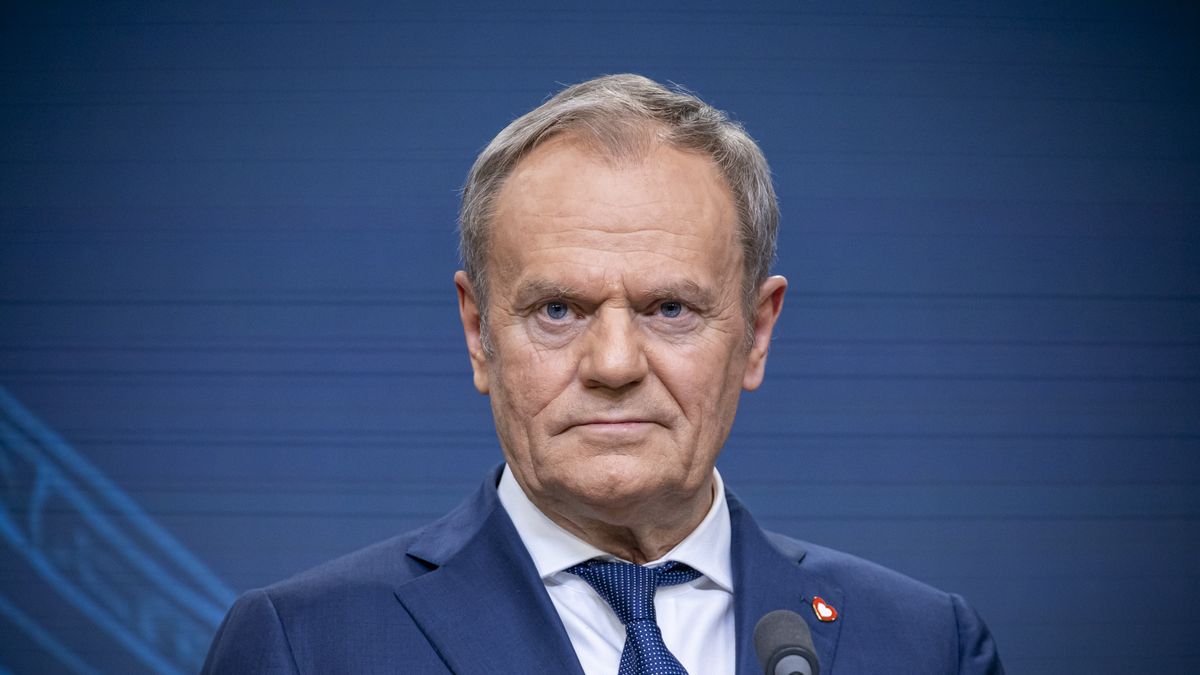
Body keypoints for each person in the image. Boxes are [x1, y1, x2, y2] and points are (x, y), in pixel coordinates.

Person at [202, 74, 1004, 674]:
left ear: (757, 333)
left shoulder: (927, 644)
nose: (614, 364)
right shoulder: (306, 645)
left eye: (670, 308)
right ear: (478, 332)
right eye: (557, 309)